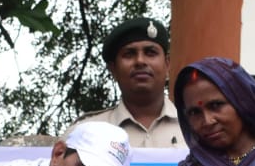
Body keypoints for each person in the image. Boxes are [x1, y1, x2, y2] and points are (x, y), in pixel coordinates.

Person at [74, 16, 183, 148]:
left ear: (167, 65)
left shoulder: (196, 128)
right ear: (113, 69)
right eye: (129, 54)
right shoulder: (84, 134)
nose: (140, 61)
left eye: (150, 53)